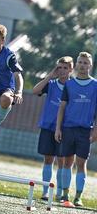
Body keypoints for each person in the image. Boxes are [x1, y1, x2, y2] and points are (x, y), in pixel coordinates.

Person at [55, 52, 97, 207]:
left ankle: (78, 197)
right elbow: (62, 107)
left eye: (86, 63)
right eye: (80, 62)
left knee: (81, 163)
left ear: (90, 66)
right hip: (68, 129)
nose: (82, 65)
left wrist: (95, 131)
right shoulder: (69, 84)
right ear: (76, 64)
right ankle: (65, 195)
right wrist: (58, 128)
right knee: (67, 162)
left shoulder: (95, 85)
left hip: (85, 131)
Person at [33, 56, 74, 201]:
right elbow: (35, 90)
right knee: (48, 159)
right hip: (48, 127)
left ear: (71, 69)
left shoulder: (73, 86)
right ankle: (45, 191)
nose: (62, 70)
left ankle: (59, 194)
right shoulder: (51, 84)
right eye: (59, 67)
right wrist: (49, 76)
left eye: (65, 68)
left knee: (61, 161)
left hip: (65, 129)